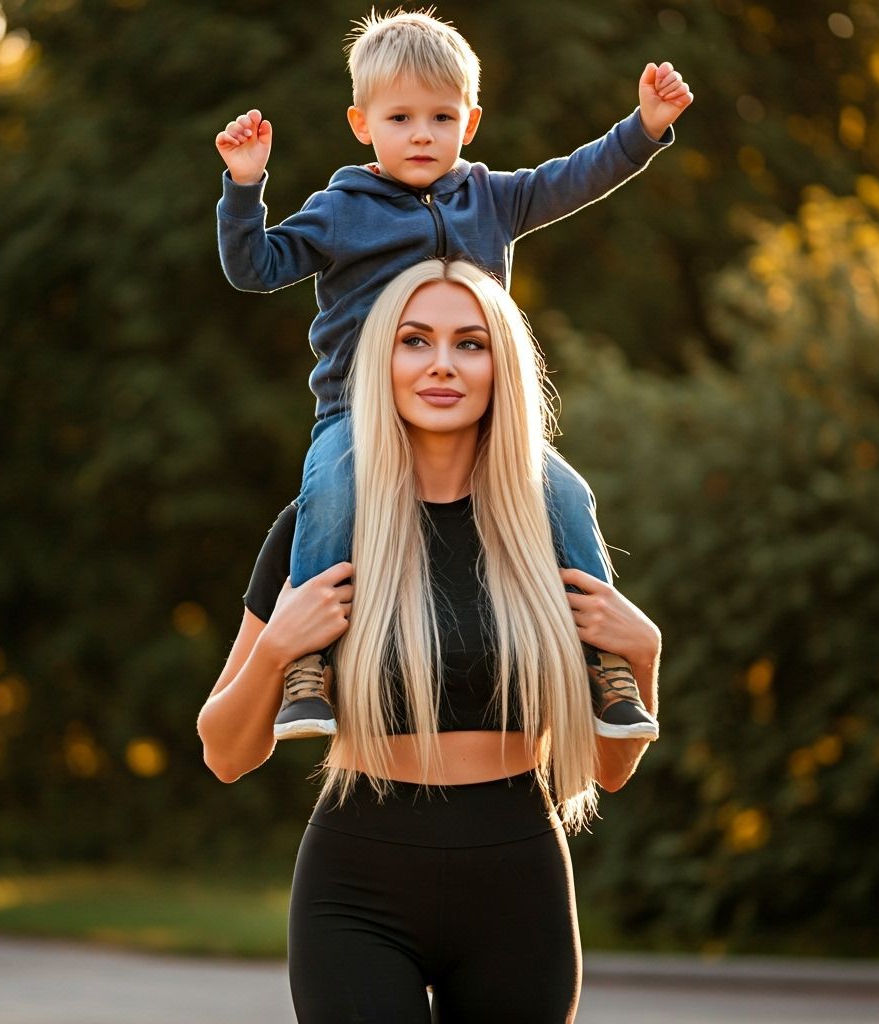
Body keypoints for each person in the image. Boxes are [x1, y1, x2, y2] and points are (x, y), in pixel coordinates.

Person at [197, 259, 662, 1022]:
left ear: (500, 367)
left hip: (521, 886)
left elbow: (609, 771)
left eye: (469, 344)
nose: (442, 364)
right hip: (356, 888)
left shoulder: (548, 531)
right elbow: (224, 753)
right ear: (382, 360)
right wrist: (278, 649)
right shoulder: (320, 527)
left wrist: (643, 659)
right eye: (415, 340)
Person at [213, 10, 690, 743]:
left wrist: (644, 129)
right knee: (331, 492)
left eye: (441, 117)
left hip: (485, 418)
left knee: (566, 492)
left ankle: (604, 663)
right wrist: (245, 189)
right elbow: (256, 268)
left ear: (470, 123)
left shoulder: (492, 198)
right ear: (361, 123)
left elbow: (576, 177)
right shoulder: (341, 212)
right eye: (400, 117)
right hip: (355, 412)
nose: (422, 134)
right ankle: (309, 667)